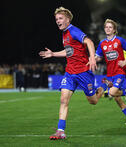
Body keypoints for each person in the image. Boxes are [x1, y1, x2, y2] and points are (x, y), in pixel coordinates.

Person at [39, 7, 110, 140]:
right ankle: (60, 131)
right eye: (56, 19)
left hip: (83, 72)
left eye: (60, 18)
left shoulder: (73, 31)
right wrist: (53, 53)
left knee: (93, 101)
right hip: (70, 72)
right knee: (63, 100)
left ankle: (101, 89)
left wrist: (92, 58)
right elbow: (68, 51)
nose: (57, 21)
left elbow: (89, 41)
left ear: (68, 19)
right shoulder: (64, 34)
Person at [95, 19, 126, 125]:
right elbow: (98, 57)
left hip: (120, 71)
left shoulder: (120, 40)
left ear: (114, 30)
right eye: (106, 27)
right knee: (117, 98)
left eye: (110, 27)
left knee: (111, 93)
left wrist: (125, 61)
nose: (108, 29)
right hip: (110, 73)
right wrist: (92, 60)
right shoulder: (102, 43)